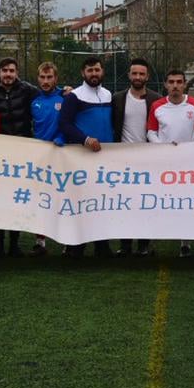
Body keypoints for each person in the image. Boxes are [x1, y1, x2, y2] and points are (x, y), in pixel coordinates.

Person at [147, 68, 194, 257]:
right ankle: (152, 240)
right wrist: (163, 148)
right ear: (165, 85)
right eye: (171, 82)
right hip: (163, 163)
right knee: (159, 201)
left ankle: (185, 242)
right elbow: (151, 132)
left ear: (184, 84)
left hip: (187, 164)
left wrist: (193, 152)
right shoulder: (157, 106)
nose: (175, 86)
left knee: (184, 203)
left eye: (179, 82)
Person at [60, 57, 114, 257]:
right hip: (81, 157)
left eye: (97, 70)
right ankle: (76, 245)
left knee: (102, 202)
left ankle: (102, 245)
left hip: (105, 158)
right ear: (83, 73)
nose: (94, 74)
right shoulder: (74, 96)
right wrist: (85, 139)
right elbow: (64, 124)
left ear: (102, 71)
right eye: (90, 70)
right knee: (81, 203)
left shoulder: (108, 94)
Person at [0, 57, 37, 258]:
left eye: (11, 70)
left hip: (22, 151)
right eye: (4, 70)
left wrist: (65, 91)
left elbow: (49, 92)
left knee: (18, 200)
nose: (8, 74)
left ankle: (14, 244)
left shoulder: (27, 90)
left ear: (17, 73)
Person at [112, 58, 154, 257]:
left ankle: (144, 244)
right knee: (124, 204)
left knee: (145, 203)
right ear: (129, 75)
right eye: (134, 73)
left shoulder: (155, 99)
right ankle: (125, 244)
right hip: (123, 160)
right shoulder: (117, 98)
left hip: (148, 160)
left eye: (141, 74)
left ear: (147, 76)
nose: (138, 77)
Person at [29, 61, 69, 255]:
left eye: (49, 77)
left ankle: (67, 240)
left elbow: (70, 123)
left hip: (62, 153)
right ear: (38, 79)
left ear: (56, 78)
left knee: (63, 197)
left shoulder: (65, 98)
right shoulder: (33, 101)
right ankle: (40, 241)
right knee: (41, 198)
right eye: (42, 77)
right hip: (40, 156)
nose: (45, 81)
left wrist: (62, 138)